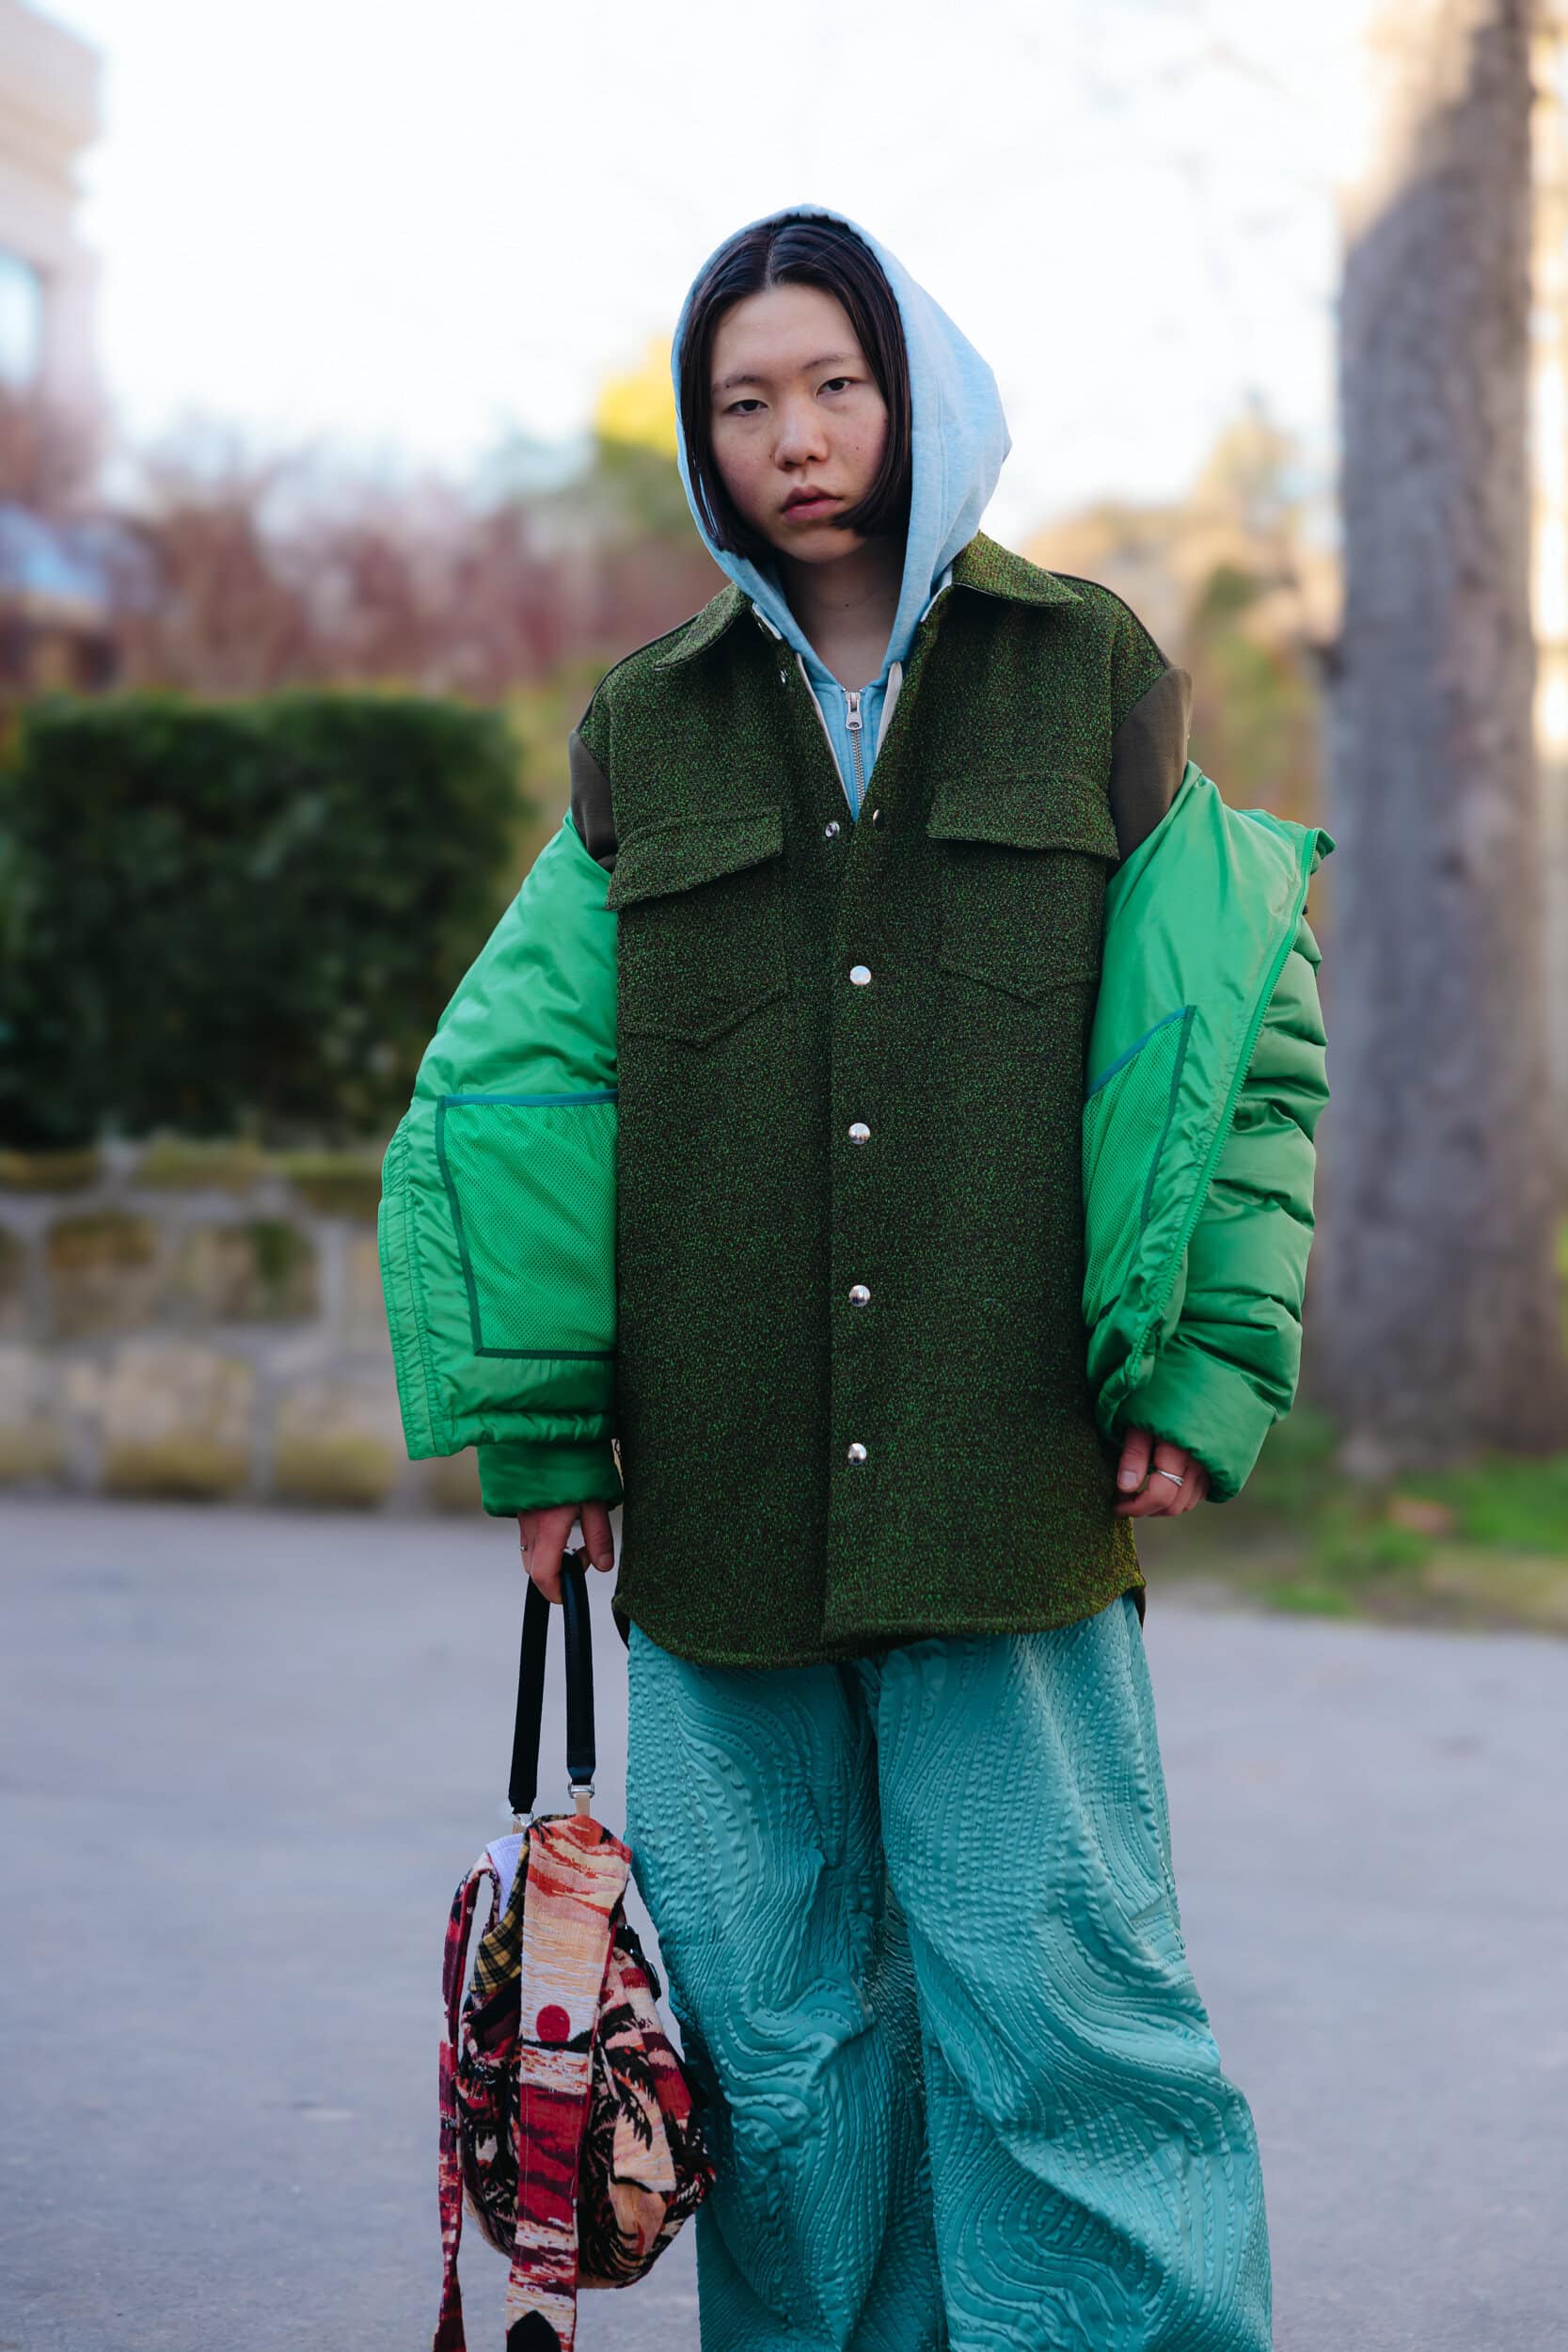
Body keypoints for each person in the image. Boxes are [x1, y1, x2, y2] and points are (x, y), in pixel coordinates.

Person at [379, 202, 1332, 2352]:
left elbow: (1235, 1030)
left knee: (1068, 2011)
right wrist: (542, 1432)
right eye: (745, 402)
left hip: (1009, 1483)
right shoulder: (645, 729)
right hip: (724, 1507)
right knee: (781, 2051)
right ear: (703, 441)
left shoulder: (1087, 674)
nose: (795, 437)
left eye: (835, 384)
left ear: (917, 402)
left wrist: (1200, 1362)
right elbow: (522, 1094)